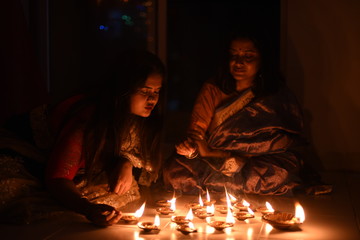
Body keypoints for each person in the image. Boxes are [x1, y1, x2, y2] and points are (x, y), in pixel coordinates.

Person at [0, 49, 166, 226]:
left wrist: (124, 162)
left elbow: (126, 150)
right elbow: (58, 178)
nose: (152, 99)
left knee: (123, 193)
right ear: (123, 90)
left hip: (71, 167)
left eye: (156, 91)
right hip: (24, 158)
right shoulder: (89, 120)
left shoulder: (134, 116)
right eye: (144, 91)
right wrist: (88, 209)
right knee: (58, 215)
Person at [163, 30, 309, 196]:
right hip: (212, 160)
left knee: (278, 174)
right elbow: (196, 133)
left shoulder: (276, 93)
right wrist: (191, 148)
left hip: (255, 161)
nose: (238, 62)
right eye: (233, 55)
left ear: (263, 59)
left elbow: (286, 140)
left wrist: (234, 155)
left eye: (248, 56)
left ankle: (223, 187)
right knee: (176, 172)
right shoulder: (213, 88)